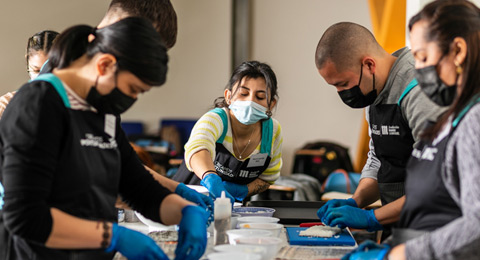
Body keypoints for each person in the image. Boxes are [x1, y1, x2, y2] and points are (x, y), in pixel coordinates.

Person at [0, 17, 207, 260]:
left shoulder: (102, 111)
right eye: (132, 89)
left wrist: (186, 211)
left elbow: (137, 187)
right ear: (104, 65)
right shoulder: (38, 105)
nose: (132, 99)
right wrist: (113, 236)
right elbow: (25, 215)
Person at [343, 0, 480, 259]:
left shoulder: (475, 121)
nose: (417, 69)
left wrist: (400, 253)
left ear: (458, 51)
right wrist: (393, 244)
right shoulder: (449, 119)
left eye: (423, 57)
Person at [315, 22, 444, 234]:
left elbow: (435, 184)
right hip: (397, 223)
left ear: (369, 65)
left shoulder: (420, 92)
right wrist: (356, 201)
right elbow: (379, 159)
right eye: (334, 86)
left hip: (430, 229)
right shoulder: (373, 92)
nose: (341, 92)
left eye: (344, 83)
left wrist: (371, 217)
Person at [172, 61, 283, 203]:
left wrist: (244, 190)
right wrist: (210, 178)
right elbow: (198, 148)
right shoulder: (215, 119)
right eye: (243, 93)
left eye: (260, 97)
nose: (250, 101)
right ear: (228, 96)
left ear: (271, 104)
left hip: (230, 207)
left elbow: (268, 178)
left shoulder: (272, 131)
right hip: (184, 201)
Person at [0, 30, 59, 119]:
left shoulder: (77, 107)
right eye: (37, 71)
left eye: (51, 71)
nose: (43, 78)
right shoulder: (6, 105)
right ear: (28, 64)